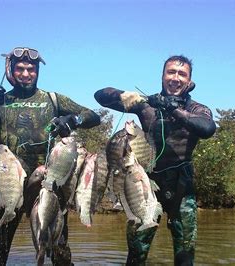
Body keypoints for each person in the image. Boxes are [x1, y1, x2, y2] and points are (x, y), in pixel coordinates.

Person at [0, 47, 100, 265]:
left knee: (59, 254)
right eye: (20, 69)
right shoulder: (0, 102)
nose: (26, 74)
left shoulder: (53, 99)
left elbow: (93, 116)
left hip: (46, 186)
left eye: (31, 69)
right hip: (7, 187)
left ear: (37, 71)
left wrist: (73, 120)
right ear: (11, 71)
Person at [94, 55, 216, 265]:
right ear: (162, 76)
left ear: (189, 81)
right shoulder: (146, 105)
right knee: (135, 255)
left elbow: (207, 128)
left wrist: (172, 108)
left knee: (185, 256)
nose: (175, 78)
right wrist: (124, 95)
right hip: (144, 184)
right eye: (171, 72)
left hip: (182, 186)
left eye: (182, 74)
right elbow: (100, 96)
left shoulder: (197, 109)